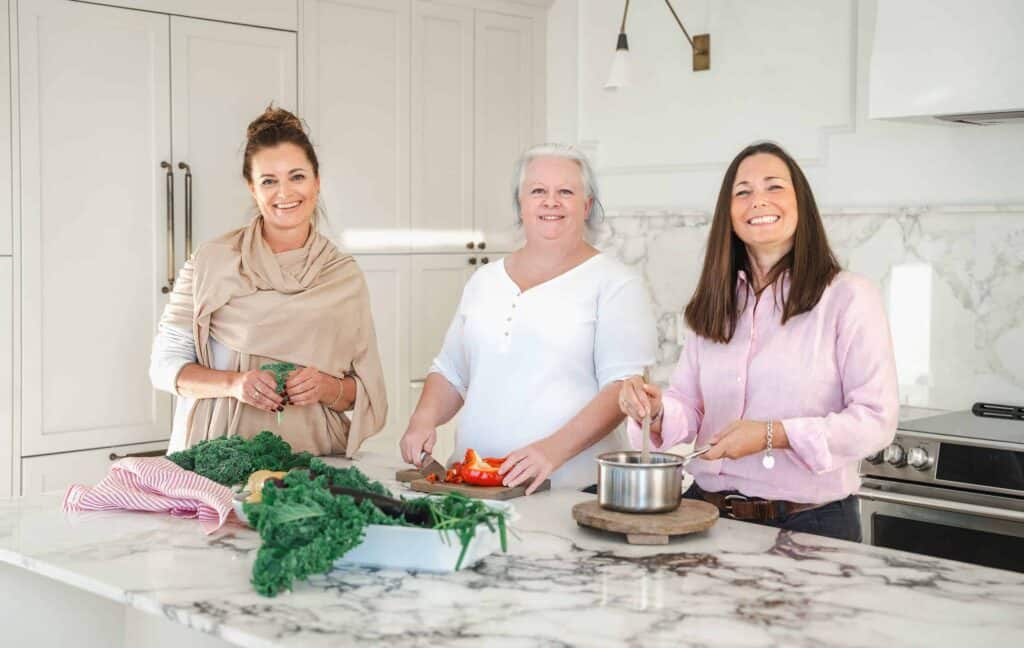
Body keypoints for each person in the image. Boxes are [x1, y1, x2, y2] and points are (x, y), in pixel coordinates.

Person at [618, 141, 898, 541]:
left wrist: (774, 434)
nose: (758, 201)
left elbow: (876, 420)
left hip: (809, 528)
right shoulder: (714, 301)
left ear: (801, 202)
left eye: (774, 187)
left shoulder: (848, 297)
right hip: (706, 518)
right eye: (743, 192)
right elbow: (690, 408)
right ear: (728, 213)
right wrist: (656, 410)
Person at [400, 144, 657, 492]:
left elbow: (621, 391)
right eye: (538, 191)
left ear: (587, 206)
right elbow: (451, 371)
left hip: (572, 490)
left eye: (565, 192)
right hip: (474, 483)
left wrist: (551, 452)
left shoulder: (616, 283)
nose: (551, 201)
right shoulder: (485, 281)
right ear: (521, 205)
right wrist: (422, 420)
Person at [149, 106, 387, 456]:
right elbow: (163, 367)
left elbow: (363, 392)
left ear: (317, 181)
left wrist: (325, 387)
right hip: (220, 451)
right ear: (252, 189)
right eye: (269, 181)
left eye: (297, 176)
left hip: (312, 461)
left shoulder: (343, 276)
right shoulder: (212, 262)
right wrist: (234, 385)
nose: (285, 193)